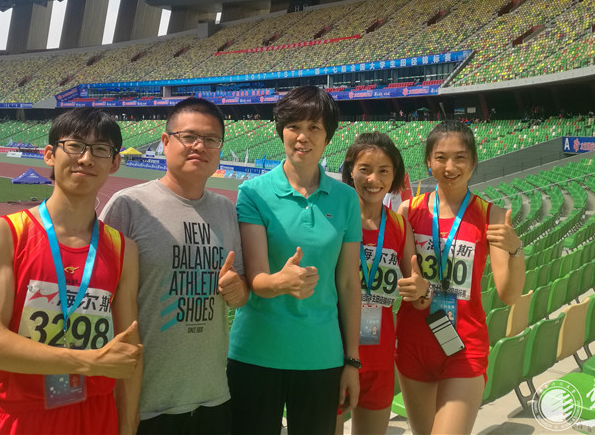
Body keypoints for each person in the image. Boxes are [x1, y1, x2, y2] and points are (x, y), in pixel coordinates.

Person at [0, 108, 143, 435]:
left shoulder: (124, 250)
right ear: (50, 154)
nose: (86, 159)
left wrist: (128, 423)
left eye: (101, 149)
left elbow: (128, 349)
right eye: (75, 145)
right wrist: (89, 361)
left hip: (97, 415)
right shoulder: (5, 234)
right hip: (24, 416)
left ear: (114, 162)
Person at [101, 98, 249, 434]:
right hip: (146, 403)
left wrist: (237, 289)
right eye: (189, 136)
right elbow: (99, 296)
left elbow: (240, 294)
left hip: (212, 395)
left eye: (211, 139)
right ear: (165, 142)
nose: (200, 146)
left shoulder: (225, 210)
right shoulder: (129, 206)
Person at [227, 86, 362, 435]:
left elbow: (349, 283)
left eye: (314, 127)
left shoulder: (346, 199)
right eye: (294, 126)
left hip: (321, 355)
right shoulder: (253, 193)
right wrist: (280, 282)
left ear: (328, 136)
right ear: (281, 132)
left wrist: (351, 360)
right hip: (256, 352)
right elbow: (256, 277)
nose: (303, 136)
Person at [395, 121, 525, 435]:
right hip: (413, 343)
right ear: (428, 161)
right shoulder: (408, 211)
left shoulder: (491, 215)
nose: (450, 167)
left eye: (460, 157)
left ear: (473, 161)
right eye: (440, 157)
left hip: (463, 347)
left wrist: (516, 250)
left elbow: (509, 295)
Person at [335, 132, 428, 435]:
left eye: (383, 171)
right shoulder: (334, 219)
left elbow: (419, 293)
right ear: (350, 171)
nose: (373, 179)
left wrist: (421, 289)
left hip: (380, 353)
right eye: (364, 169)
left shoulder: (400, 226)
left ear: (394, 176)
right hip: (333, 354)